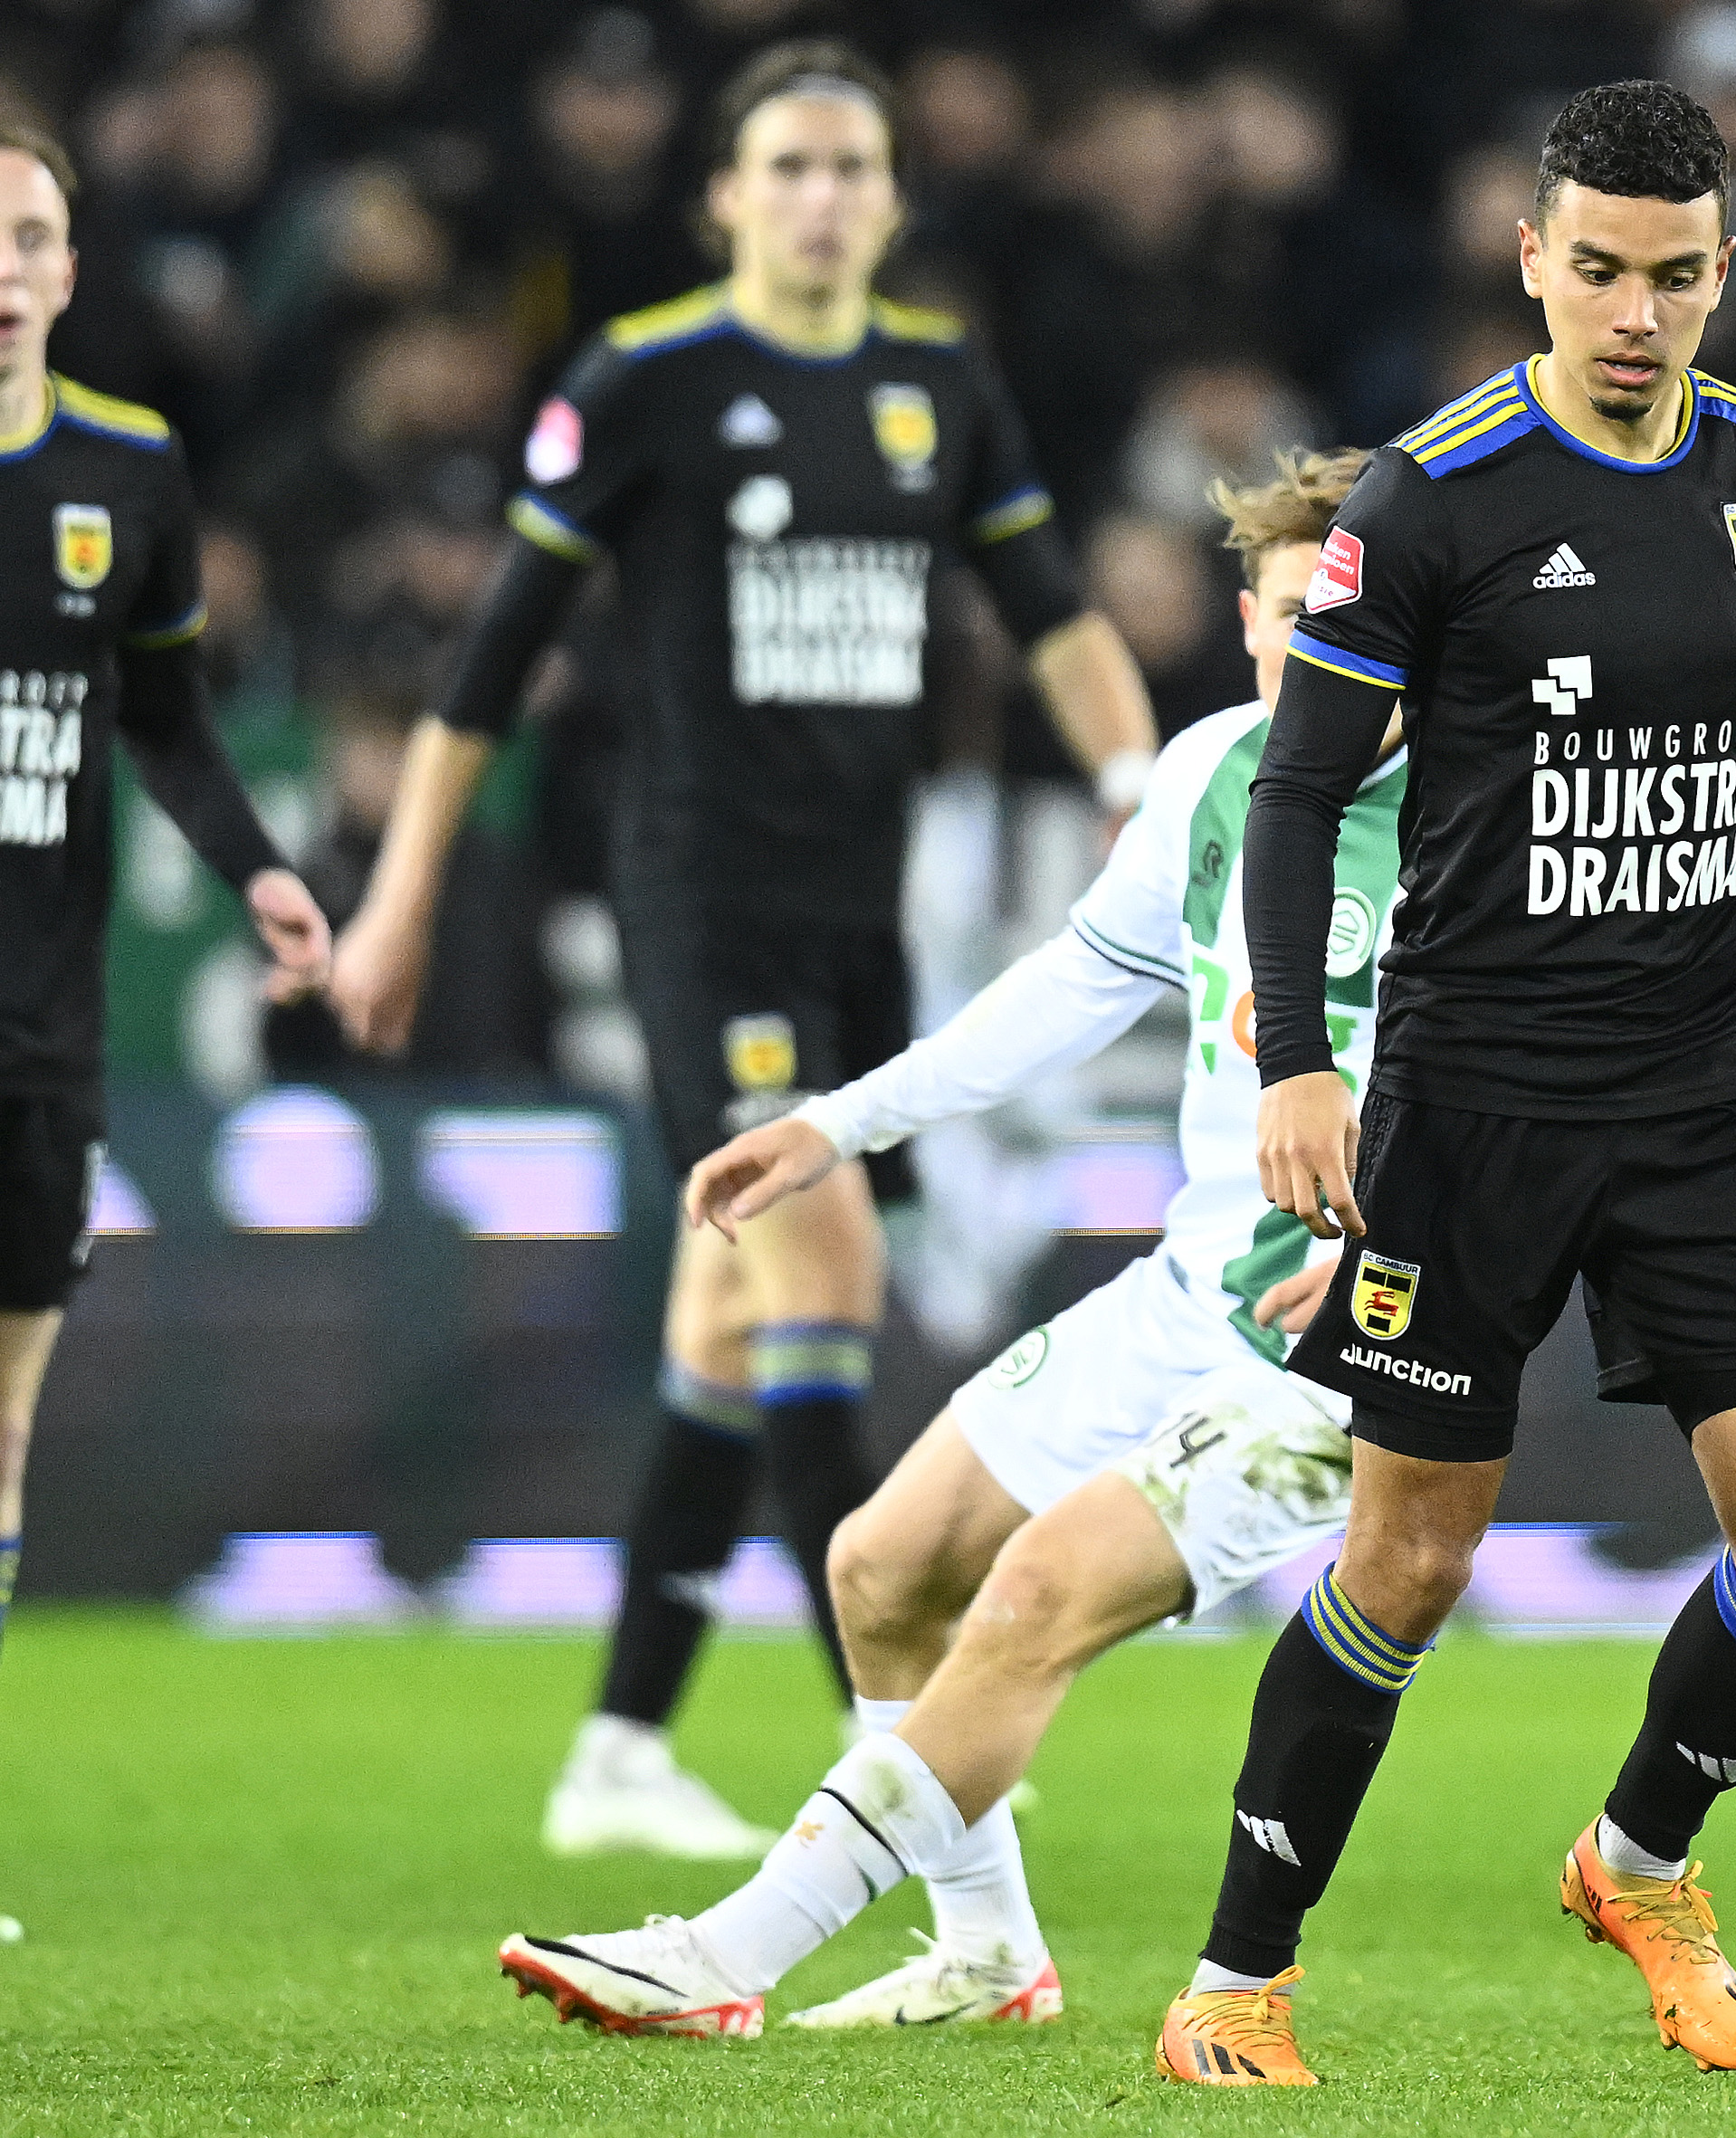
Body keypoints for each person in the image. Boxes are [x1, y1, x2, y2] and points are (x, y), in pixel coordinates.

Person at [1157, 81, 1736, 2086]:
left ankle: (1636, 1856)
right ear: (1531, 258)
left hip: (1698, 1091)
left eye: (1675, 275)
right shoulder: (1429, 500)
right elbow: (1293, 794)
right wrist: (1299, 1060)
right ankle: (1234, 1982)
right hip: (1467, 1103)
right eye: (1598, 270)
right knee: (1407, 1562)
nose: (1635, 311)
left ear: (1724, 271)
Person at [326, 41, 1158, 1859]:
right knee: (819, 1261)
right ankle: (886, 1756)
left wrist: (1133, 781)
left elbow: (1054, 615)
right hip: (702, 898)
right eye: (785, 165)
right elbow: (485, 670)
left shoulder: (937, 385)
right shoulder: (650, 380)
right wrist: (396, 893)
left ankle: (620, 1737)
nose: (821, 196)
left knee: (727, 1310)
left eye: (851, 165)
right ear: (724, 196)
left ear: (889, 196)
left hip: (862, 914)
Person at [493, 450, 1402, 2038]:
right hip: (1202, 1281)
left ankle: (729, 1954)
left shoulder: (1490, 817)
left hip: (1369, 1327)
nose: (1301, 649)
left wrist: (1425, 1234)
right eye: (1275, 616)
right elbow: (1068, 986)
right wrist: (839, 1121)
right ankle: (992, 1954)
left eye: (1338, 613)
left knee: (1039, 1587)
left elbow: (1556, 1078)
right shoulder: (1210, 774)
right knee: (882, 1562)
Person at [0, 119, 332, 1683]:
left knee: (2, 1420)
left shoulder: (125, 471)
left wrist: (259, 866)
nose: (3, 272)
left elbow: (166, 713)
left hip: (42, 1023)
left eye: (29, 238)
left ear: (68, 268)